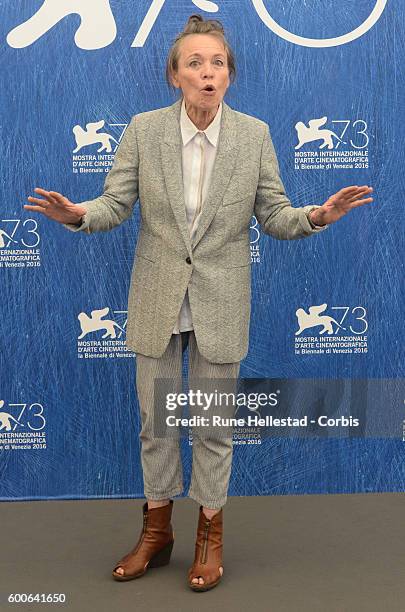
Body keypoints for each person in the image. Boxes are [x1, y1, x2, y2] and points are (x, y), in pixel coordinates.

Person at [24, 14, 373, 592]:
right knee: (155, 427)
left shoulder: (255, 135)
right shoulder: (143, 130)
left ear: (229, 76)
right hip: (158, 298)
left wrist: (317, 216)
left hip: (220, 301)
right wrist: (78, 216)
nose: (207, 72)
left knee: (213, 426)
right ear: (174, 75)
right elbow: (115, 205)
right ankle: (156, 533)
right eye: (195, 63)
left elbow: (275, 216)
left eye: (217, 63)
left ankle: (210, 533)